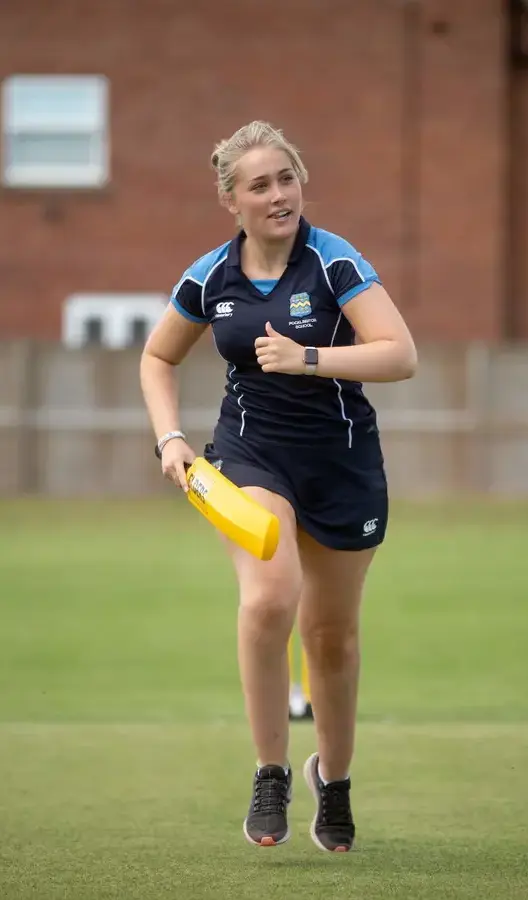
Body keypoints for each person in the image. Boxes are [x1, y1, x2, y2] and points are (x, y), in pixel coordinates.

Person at [140, 120, 417, 853]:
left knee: (331, 639)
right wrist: (170, 438)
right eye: (259, 185)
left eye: (286, 178)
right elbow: (156, 358)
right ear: (231, 200)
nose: (278, 194)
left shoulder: (333, 263)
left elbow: (400, 355)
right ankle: (270, 771)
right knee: (268, 598)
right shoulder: (211, 276)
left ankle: (335, 777)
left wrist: (310, 357)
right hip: (249, 452)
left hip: (342, 462)